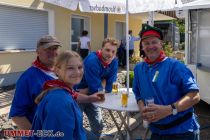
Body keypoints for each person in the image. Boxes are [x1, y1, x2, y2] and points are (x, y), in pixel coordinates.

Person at [133, 24, 200, 140]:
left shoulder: (175, 66)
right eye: (146, 43)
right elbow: (138, 93)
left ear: (161, 44)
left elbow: (195, 96)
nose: (150, 46)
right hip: (156, 132)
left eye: (154, 42)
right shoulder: (139, 69)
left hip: (182, 131)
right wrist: (142, 108)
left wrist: (169, 110)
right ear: (142, 47)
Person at [30, 51, 104, 140]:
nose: (77, 72)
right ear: (57, 70)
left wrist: (90, 98)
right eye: (70, 68)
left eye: (80, 67)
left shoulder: (59, 88)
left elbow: (73, 94)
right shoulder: (61, 102)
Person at [9, 35, 62, 130]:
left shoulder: (62, 71)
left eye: (55, 48)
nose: (53, 52)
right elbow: (17, 115)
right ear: (37, 52)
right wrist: (36, 136)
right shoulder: (29, 77)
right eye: (48, 49)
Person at [76, 37, 119, 138]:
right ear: (101, 49)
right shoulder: (92, 60)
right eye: (107, 50)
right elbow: (96, 89)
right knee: (76, 125)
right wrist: (102, 83)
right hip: (78, 95)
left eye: (113, 51)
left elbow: (109, 86)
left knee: (98, 124)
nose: (110, 54)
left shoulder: (114, 61)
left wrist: (101, 85)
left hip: (91, 95)